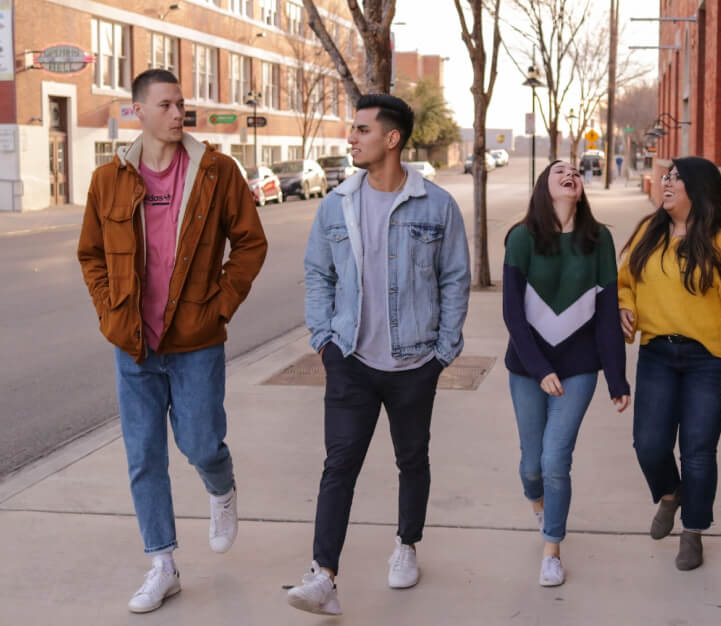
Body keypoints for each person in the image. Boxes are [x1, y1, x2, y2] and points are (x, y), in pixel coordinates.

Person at [77, 69, 268, 613]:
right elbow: (91, 253)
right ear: (138, 111)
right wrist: (110, 309)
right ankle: (162, 564)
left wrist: (221, 304)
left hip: (196, 341)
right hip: (134, 344)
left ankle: (221, 489)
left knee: (202, 443)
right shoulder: (109, 179)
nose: (177, 112)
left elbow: (251, 244)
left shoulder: (215, 172)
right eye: (165, 104)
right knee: (143, 456)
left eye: (181, 103)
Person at [289, 94, 470, 616]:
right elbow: (319, 273)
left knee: (411, 459)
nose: (351, 138)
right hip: (350, 359)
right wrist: (324, 341)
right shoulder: (336, 203)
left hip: (415, 362)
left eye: (361, 130)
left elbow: (455, 277)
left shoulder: (436, 205)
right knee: (339, 464)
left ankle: (406, 545)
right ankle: (323, 575)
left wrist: (443, 350)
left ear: (391, 139)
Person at [618, 156, 721, 571]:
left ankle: (694, 531)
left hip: (710, 359)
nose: (666, 183)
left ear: (699, 188)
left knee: (698, 451)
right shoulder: (650, 231)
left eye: (676, 178)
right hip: (657, 353)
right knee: (648, 444)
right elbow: (625, 281)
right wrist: (624, 307)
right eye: (666, 176)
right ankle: (670, 494)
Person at [503, 160, 631, 587]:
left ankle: (552, 548)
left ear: (581, 188)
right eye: (559, 170)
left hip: (578, 369)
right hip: (527, 368)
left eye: (575, 171)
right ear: (545, 186)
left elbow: (608, 315)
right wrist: (539, 370)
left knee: (556, 460)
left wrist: (617, 378)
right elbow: (513, 316)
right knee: (531, 467)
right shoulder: (521, 239)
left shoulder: (600, 240)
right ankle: (539, 504)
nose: (570, 173)